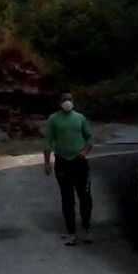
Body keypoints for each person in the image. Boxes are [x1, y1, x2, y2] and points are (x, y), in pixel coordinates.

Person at [43, 91, 94, 245]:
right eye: (64, 99)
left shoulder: (79, 118)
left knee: (85, 197)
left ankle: (86, 230)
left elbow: (89, 138)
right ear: (60, 102)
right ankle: (71, 233)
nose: (67, 102)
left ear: (73, 101)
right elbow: (47, 142)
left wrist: (85, 151)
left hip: (79, 162)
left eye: (70, 99)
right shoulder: (53, 119)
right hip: (62, 162)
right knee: (67, 198)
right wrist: (47, 162)